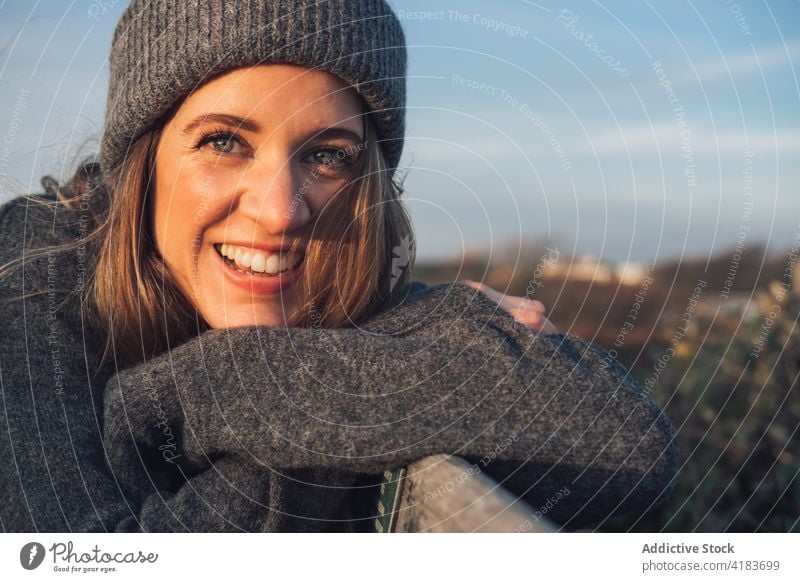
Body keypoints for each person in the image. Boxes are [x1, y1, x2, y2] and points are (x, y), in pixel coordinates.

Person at [0, 0, 678, 532]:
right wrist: (357, 386)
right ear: (141, 168)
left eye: (327, 154)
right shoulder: (32, 271)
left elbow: (629, 445)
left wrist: (184, 397)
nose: (281, 211)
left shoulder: (356, 287)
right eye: (224, 141)